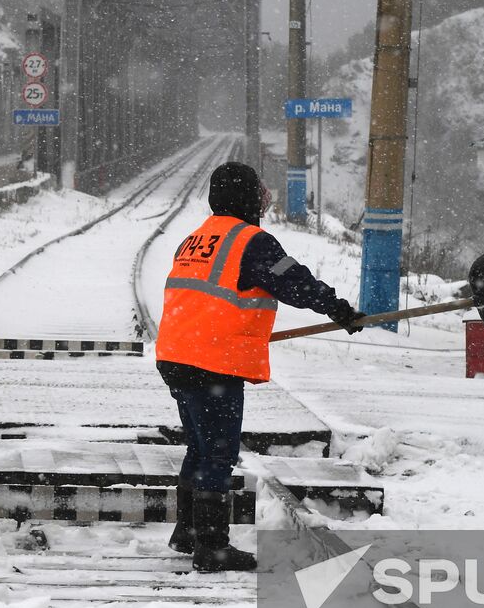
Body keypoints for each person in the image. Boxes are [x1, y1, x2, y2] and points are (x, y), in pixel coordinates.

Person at [156, 161, 364, 572]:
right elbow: (295, 283)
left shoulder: (197, 238)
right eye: (258, 193)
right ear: (248, 198)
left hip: (176, 356)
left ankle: (189, 532)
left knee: (199, 447)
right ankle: (211, 548)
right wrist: (338, 308)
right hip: (211, 362)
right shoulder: (252, 241)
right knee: (218, 454)